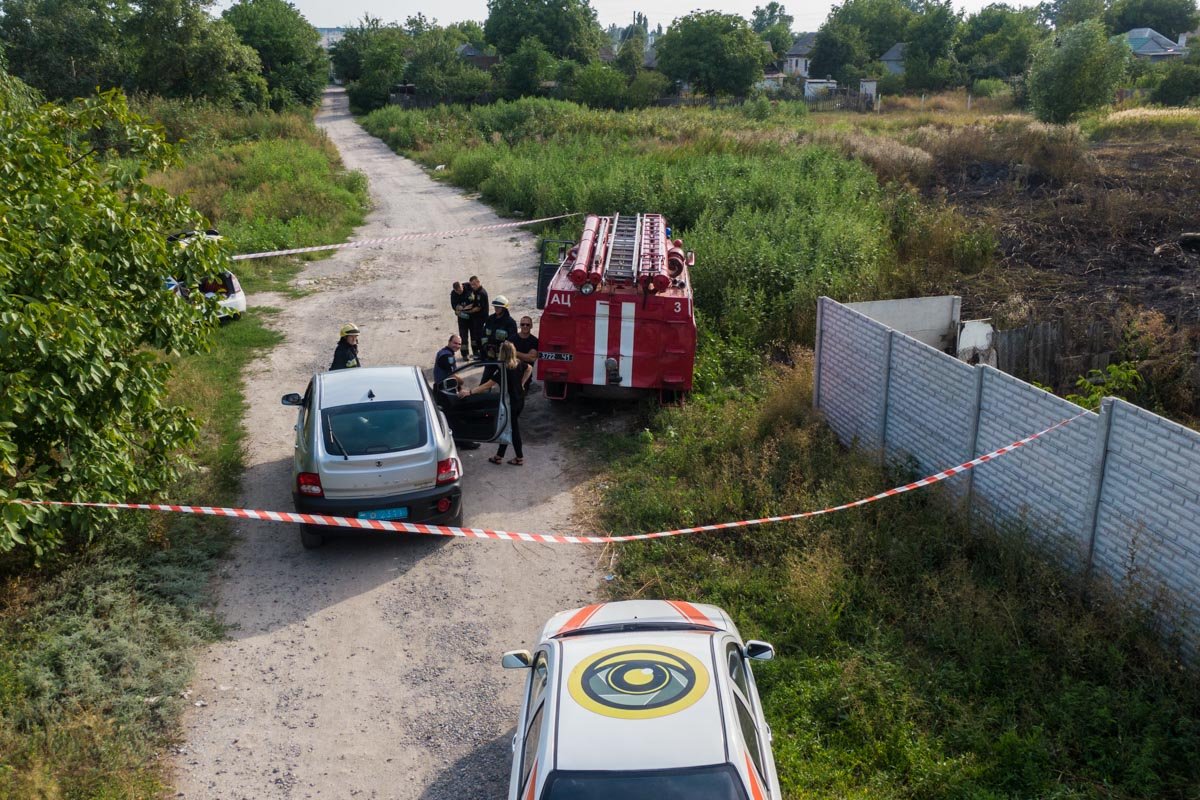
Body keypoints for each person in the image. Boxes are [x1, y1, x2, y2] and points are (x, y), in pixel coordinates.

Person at [464, 341, 530, 466]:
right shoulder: (519, 364)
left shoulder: (504, 370)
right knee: (508, 427)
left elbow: (487, 385)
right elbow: (529, 369)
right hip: (520, 400)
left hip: (510, 403)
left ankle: (519, 457)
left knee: (513, 429)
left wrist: (470, 392)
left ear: (502, 353)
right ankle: (499, 456)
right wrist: (522, 383)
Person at [481, 295, 519, 362]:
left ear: (504, 308)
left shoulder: (510, 322)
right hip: (490, 356)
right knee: (487, 373)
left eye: (498, 307)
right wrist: (486, 346)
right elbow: (484, 334)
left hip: (504, 358)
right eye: (495, 307)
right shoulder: (490, 319)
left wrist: (501, 349)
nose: (496, 309)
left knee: (503, 373)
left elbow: (512, 340)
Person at [463, 276, 488, 358]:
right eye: (471, 285)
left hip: (481, 319)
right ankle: (480, 354)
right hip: (477, 319)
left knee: (480, 337)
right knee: (477, 337)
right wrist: (465, 308)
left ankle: (482, 355)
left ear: (478, 282)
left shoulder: (481, 293)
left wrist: (468, 311)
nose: (473, 286)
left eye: (474, 284)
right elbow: (475, 304)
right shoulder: (476, 292)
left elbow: (478, 307)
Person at [513, 315, 539, 394]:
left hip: (526, 375)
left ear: (531, 326)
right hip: (512, 373)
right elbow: (506, 355)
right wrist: (525, 356)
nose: (525, 326)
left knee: (521, 396)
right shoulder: (512, 338)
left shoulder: (534, 341)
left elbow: (531, 358)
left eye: (527, 324)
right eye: (522, 324)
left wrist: (515, 353)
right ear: (520, 325)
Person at [450, 282, 473, 359]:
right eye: (458, 291)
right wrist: (458, 307)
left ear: (462, 286)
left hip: (473, 315)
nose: (460, 292)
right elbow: (454, 306)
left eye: (460, 290)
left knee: (474, 334)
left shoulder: (469, 287)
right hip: (462, 317)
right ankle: (465, 354)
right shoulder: (453, 294)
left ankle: (476, 352)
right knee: (463, 336)